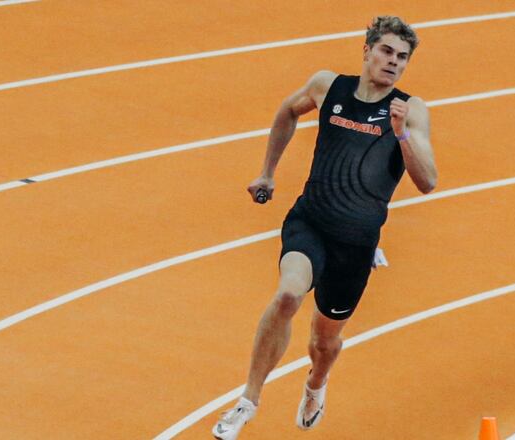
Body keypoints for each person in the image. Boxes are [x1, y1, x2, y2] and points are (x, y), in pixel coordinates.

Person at [213, 15, 437, 440]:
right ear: (367, 49)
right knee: (286, 295)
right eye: (387, 51)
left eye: (402, 57)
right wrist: (267, 173)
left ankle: (316, 384)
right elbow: (286, 111)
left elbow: (428, 183)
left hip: (354, 246)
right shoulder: (327, 86)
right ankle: (248, 400)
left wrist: (401, 134)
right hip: (310, 221)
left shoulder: (411, 110)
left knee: (323, 342)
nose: (393, 62)